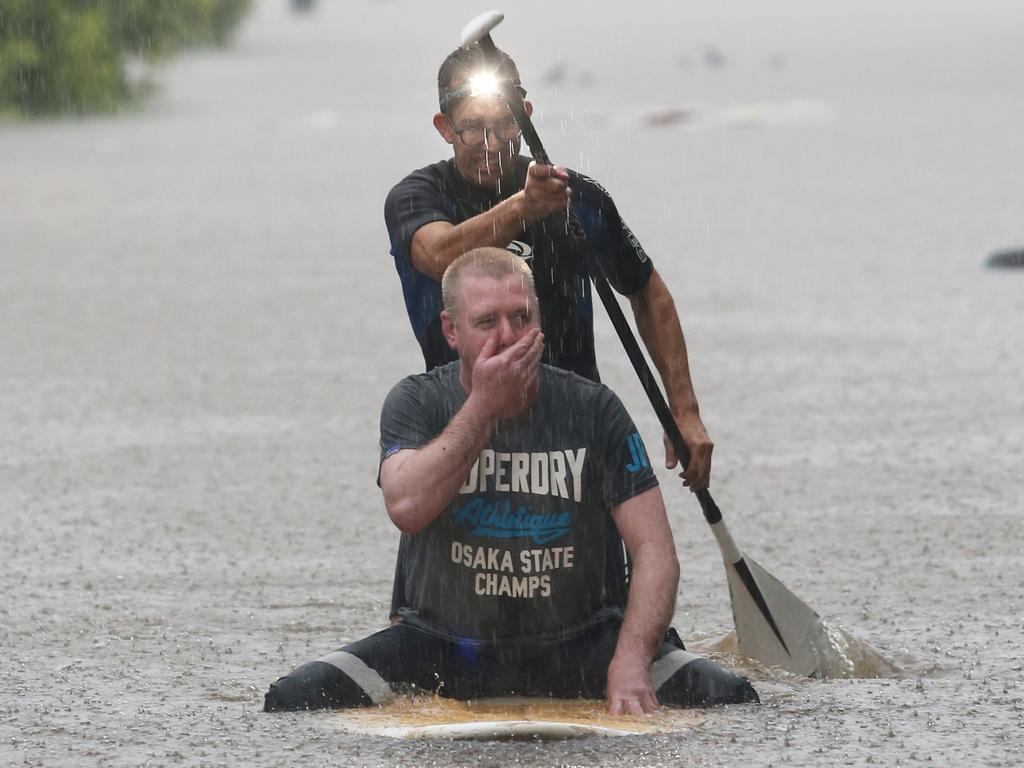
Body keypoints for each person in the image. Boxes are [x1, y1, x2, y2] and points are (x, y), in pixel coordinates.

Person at [263, 249, 757, 713]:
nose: (508, 334)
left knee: (732, 696)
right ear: (452, 331)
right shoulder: (417, 403)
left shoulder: (594, 409)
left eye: (521, 317)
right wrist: (483, 405)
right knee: (292, 699)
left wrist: (629, 660)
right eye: (486, 322)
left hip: (580, 645)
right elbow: (405, 505)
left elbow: (655, 551)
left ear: (539, 321)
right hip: (442, 647)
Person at [384, 43, 715, 620]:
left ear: (527, 116)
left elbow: (649, 293)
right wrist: (523, 207)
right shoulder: (417, 196)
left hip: (571, 431)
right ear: (443, 127)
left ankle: (623, 639)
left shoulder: (577, 199)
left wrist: (683, 410)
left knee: (606, 598)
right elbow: (437, 255)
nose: (490, 145)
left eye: (504, 125)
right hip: (460, 423)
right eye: (471, 130)